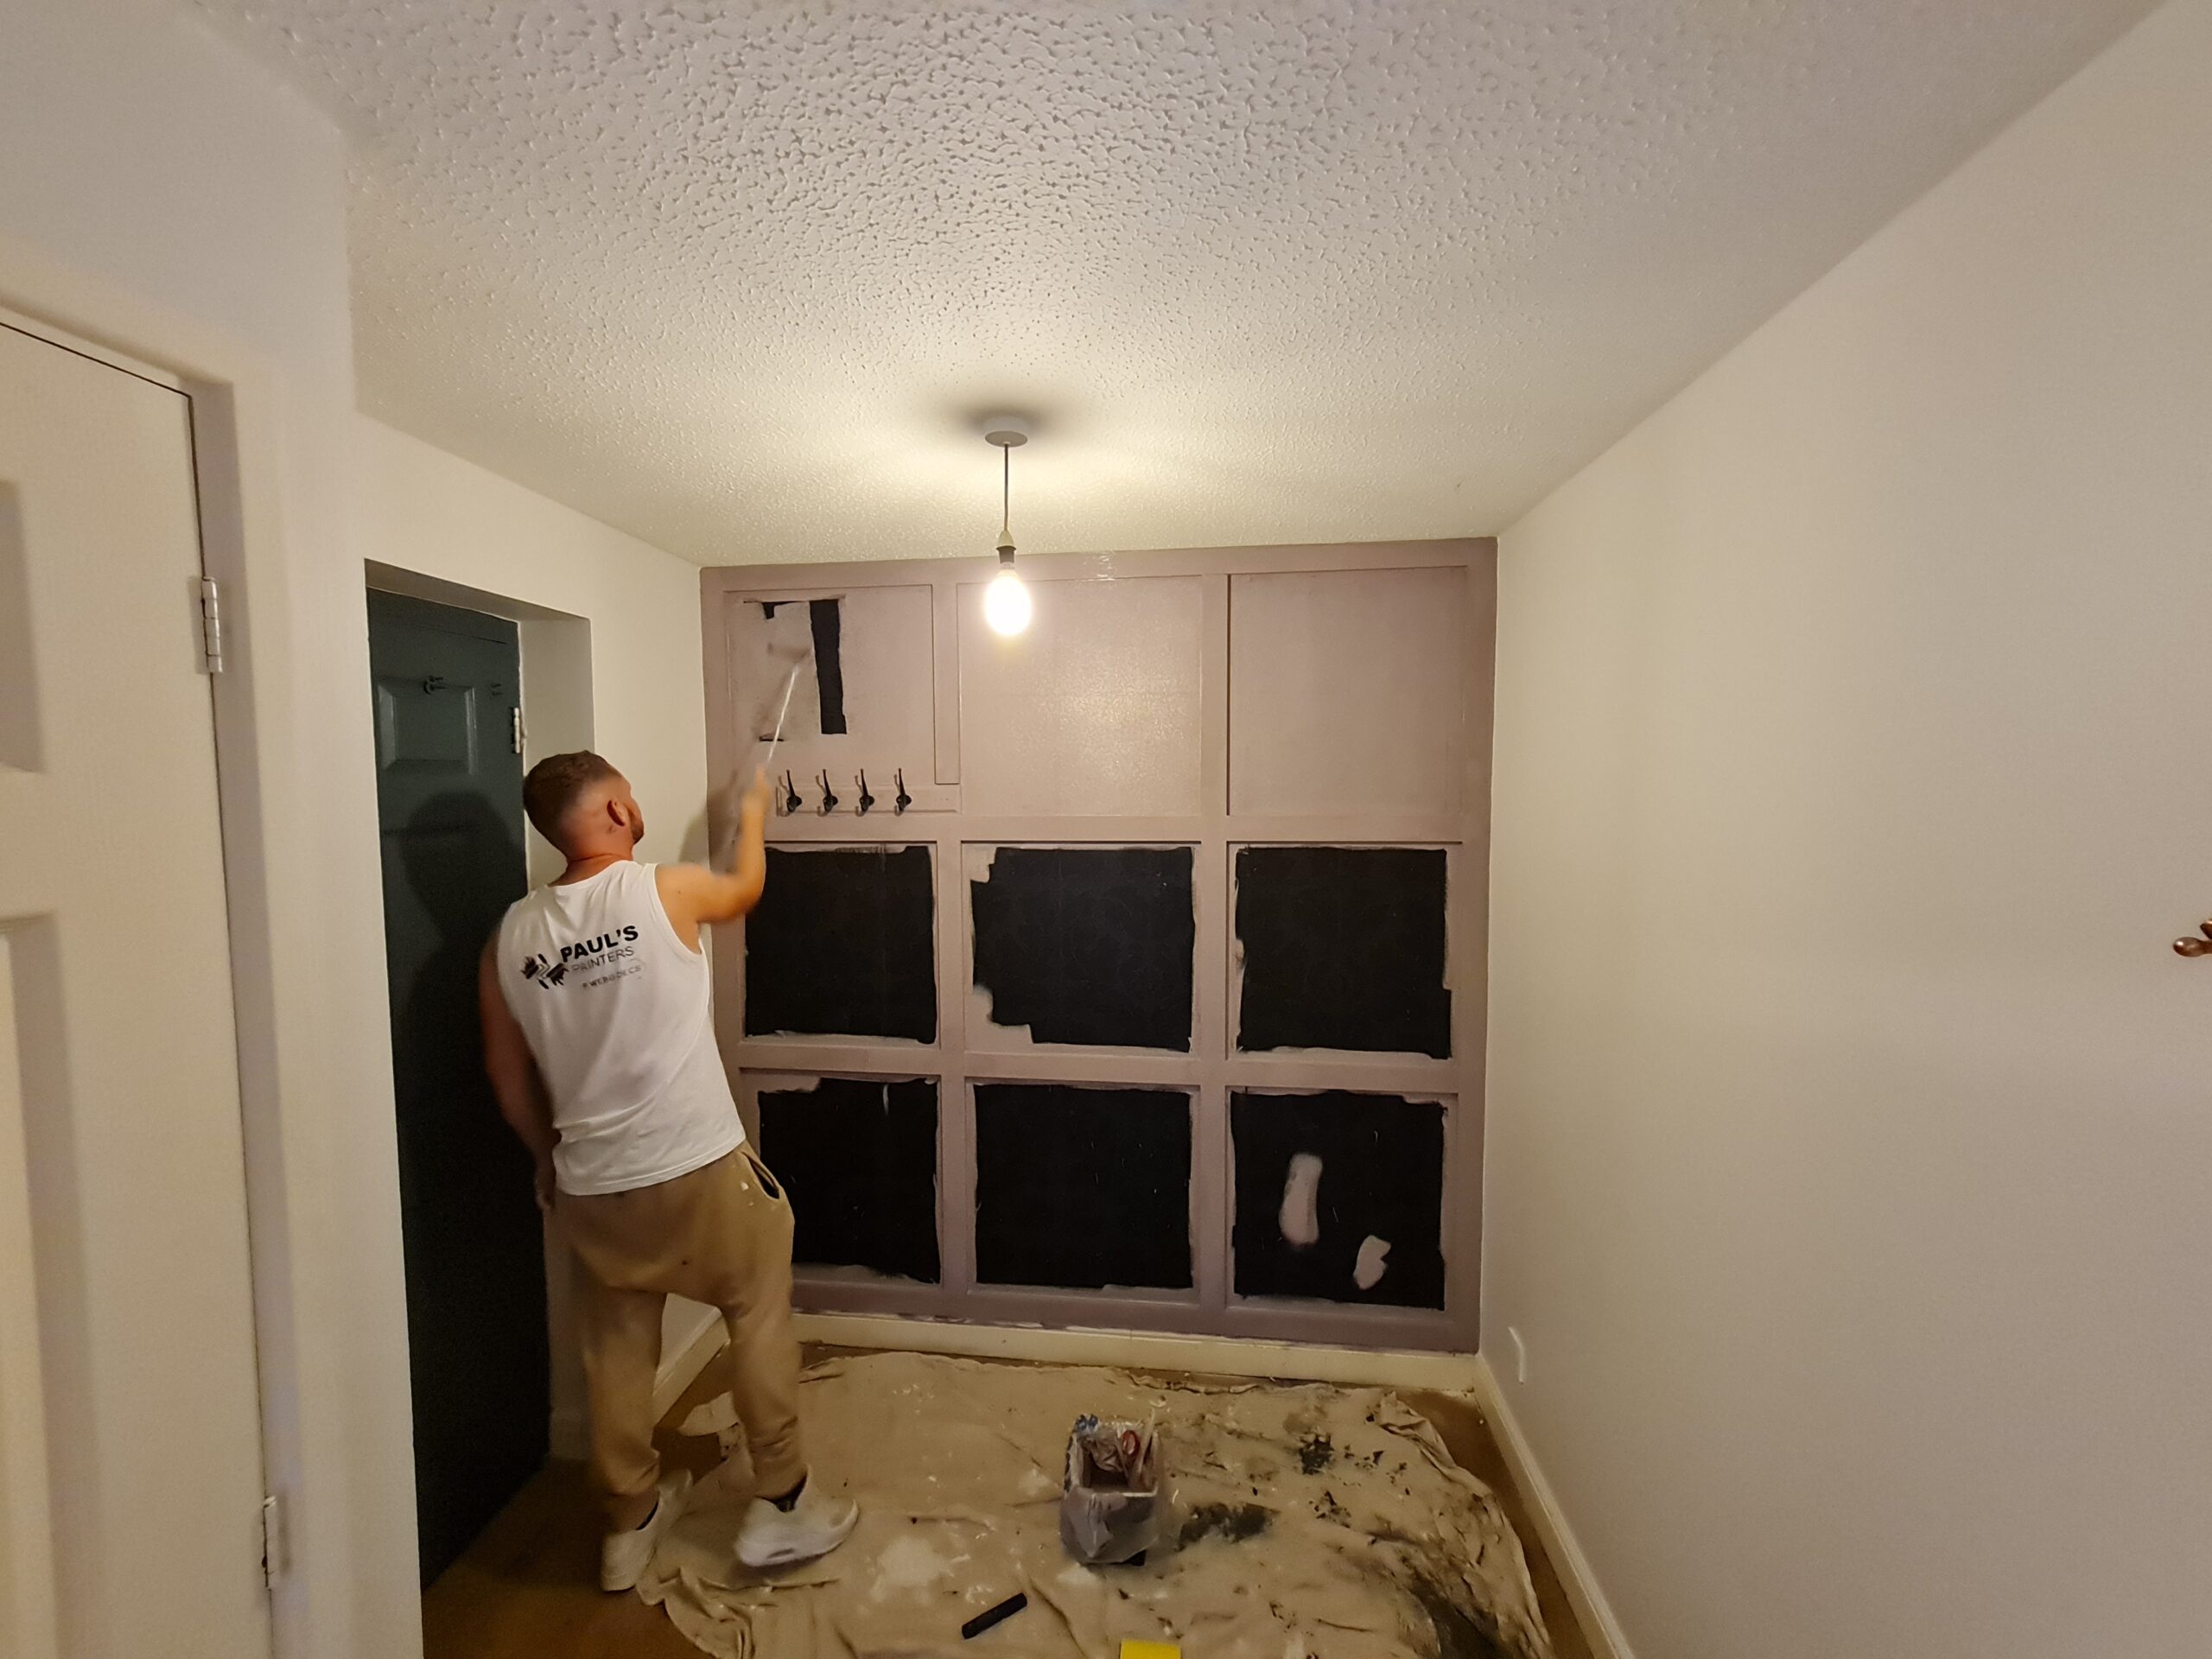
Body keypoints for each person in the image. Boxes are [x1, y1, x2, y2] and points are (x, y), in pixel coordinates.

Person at [478, 751, 857, 1592]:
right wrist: (752, 814)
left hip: (594, 1188)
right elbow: (743, 889)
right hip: (696, 1166)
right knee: (754, 1311)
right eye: (630, 798)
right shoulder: (664, 890)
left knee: (614, 1353)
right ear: (615, 812)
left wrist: (548, 1159)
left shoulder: (508, 939)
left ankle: (628, 1522)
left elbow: (508, 1078)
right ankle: (785, 1504)